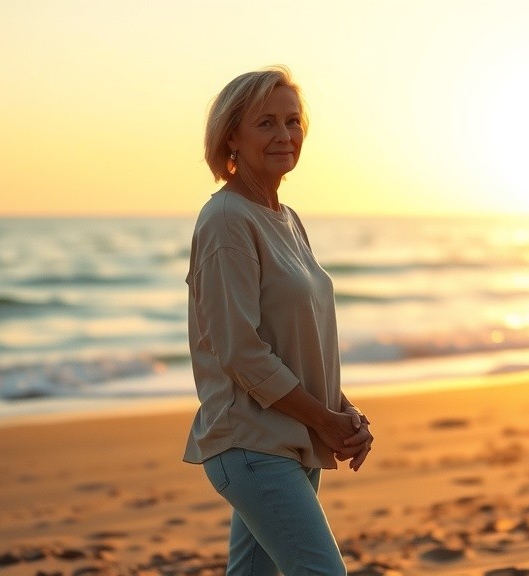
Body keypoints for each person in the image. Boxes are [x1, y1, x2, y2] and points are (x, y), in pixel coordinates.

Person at [184, 65, 374, 576]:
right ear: (232, 137)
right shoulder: (227, 219)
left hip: (290, 439)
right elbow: (241, 351)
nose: (285, 135)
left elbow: (297, 340)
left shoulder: (286, 218)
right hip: (249, 444)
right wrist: (325, 419)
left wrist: (344, 413)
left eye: (292, 121)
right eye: (265, 123)